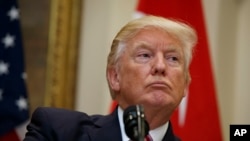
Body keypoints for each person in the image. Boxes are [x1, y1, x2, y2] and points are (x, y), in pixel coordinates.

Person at [24, 15, 197, 141]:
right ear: (115, 77)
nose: (160, 66)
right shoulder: (57, 131)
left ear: (185, 85)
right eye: (144, 55)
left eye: (173, 58)